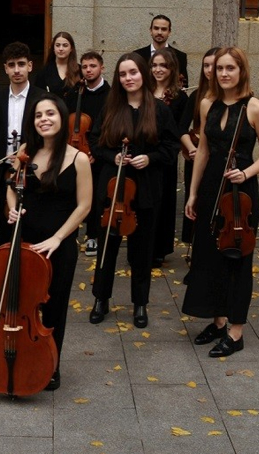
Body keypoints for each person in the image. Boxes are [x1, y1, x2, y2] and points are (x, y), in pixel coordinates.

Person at [181, 47, 259, 357]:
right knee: (209, 256)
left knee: (237, 259)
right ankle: (218, 321)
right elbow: (204, 152)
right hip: (210, 188)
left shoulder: (255, 108)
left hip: (240, 193)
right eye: (219, 68)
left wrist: (245, 171)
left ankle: (236, 332)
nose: (223, 73)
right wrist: (192, 194)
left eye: (230, 68)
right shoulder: (208, 104)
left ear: (241, 71)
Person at [4, 94, 92, 390]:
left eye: (50, 113)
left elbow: (84, 206)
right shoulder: (26, 151)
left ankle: (50, 364)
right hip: (24, 240)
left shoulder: (79, 159)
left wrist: (57, 238)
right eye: (39, 115)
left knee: (54, 307)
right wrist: (12, 207)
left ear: (61, 117)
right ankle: (8, 357)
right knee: (17, 302)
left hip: (59, 244)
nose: (44, 119)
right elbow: (11, 187)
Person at [88, 53, 178, 329]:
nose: (128, 78)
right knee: (107, 248)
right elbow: (94, 142)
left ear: (143, 74)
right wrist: (111, 157)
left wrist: (149, 158)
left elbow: (171, 147)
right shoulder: (111, 107)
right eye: (123, 74)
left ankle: (140, 303)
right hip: (113, 188)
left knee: (142, 250)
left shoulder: (160, 110)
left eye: (133, 73)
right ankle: (101, 299)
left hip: (146, 187)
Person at [0, 42, 46, 245]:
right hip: (4, 175)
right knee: (5, 230)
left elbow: (48, 139)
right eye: (12, 65)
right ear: (5, 68)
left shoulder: (42, 98)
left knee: (33, 229)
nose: (16, 70)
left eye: (21, 64)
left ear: (30, 65)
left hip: (33, 174)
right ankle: (7, 274)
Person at [66, 51, 109, 256]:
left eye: (93, 66)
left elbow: (109, 128)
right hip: (75, 152)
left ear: (102, 68)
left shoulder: (110, 94)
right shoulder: (76, 92)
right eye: (84, 67)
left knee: (96, 198)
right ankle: (69, 233)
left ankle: (93, 236)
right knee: (70, 194)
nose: (88, 70)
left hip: (97, 153)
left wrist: (95, 152)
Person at [150, 48, 188, 268]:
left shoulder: (179, 97)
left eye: (163, 65)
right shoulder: (143, 91)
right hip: (143, 155)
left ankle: (159, 250)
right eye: (155, 65)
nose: (158, 69)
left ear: (172, 68)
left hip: (165, 157)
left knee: (163, 202)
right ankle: (141, 246)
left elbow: (178, 129)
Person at [178, 48, 219, 255]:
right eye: (206, 65)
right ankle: (195, 251)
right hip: (196, 157)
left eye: (214, 65)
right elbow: (181, 127)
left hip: (218, 160)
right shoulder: (196, 96)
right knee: (194, 201)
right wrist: (193, 149)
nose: (210, 70)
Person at [131, 14, 188, 88]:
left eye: (164, 29)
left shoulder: (180, 56)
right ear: (150, 31)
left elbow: (184, 85)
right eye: (156, 28)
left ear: (169, 32)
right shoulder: (137, 55)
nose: (159, 32)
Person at [34, 31, 80, 97]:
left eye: (65, 45)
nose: (61, 49)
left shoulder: (80, 70)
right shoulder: (44, 72)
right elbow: (37, 96)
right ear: (53, 48)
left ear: (71, 48)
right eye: (57, 45)